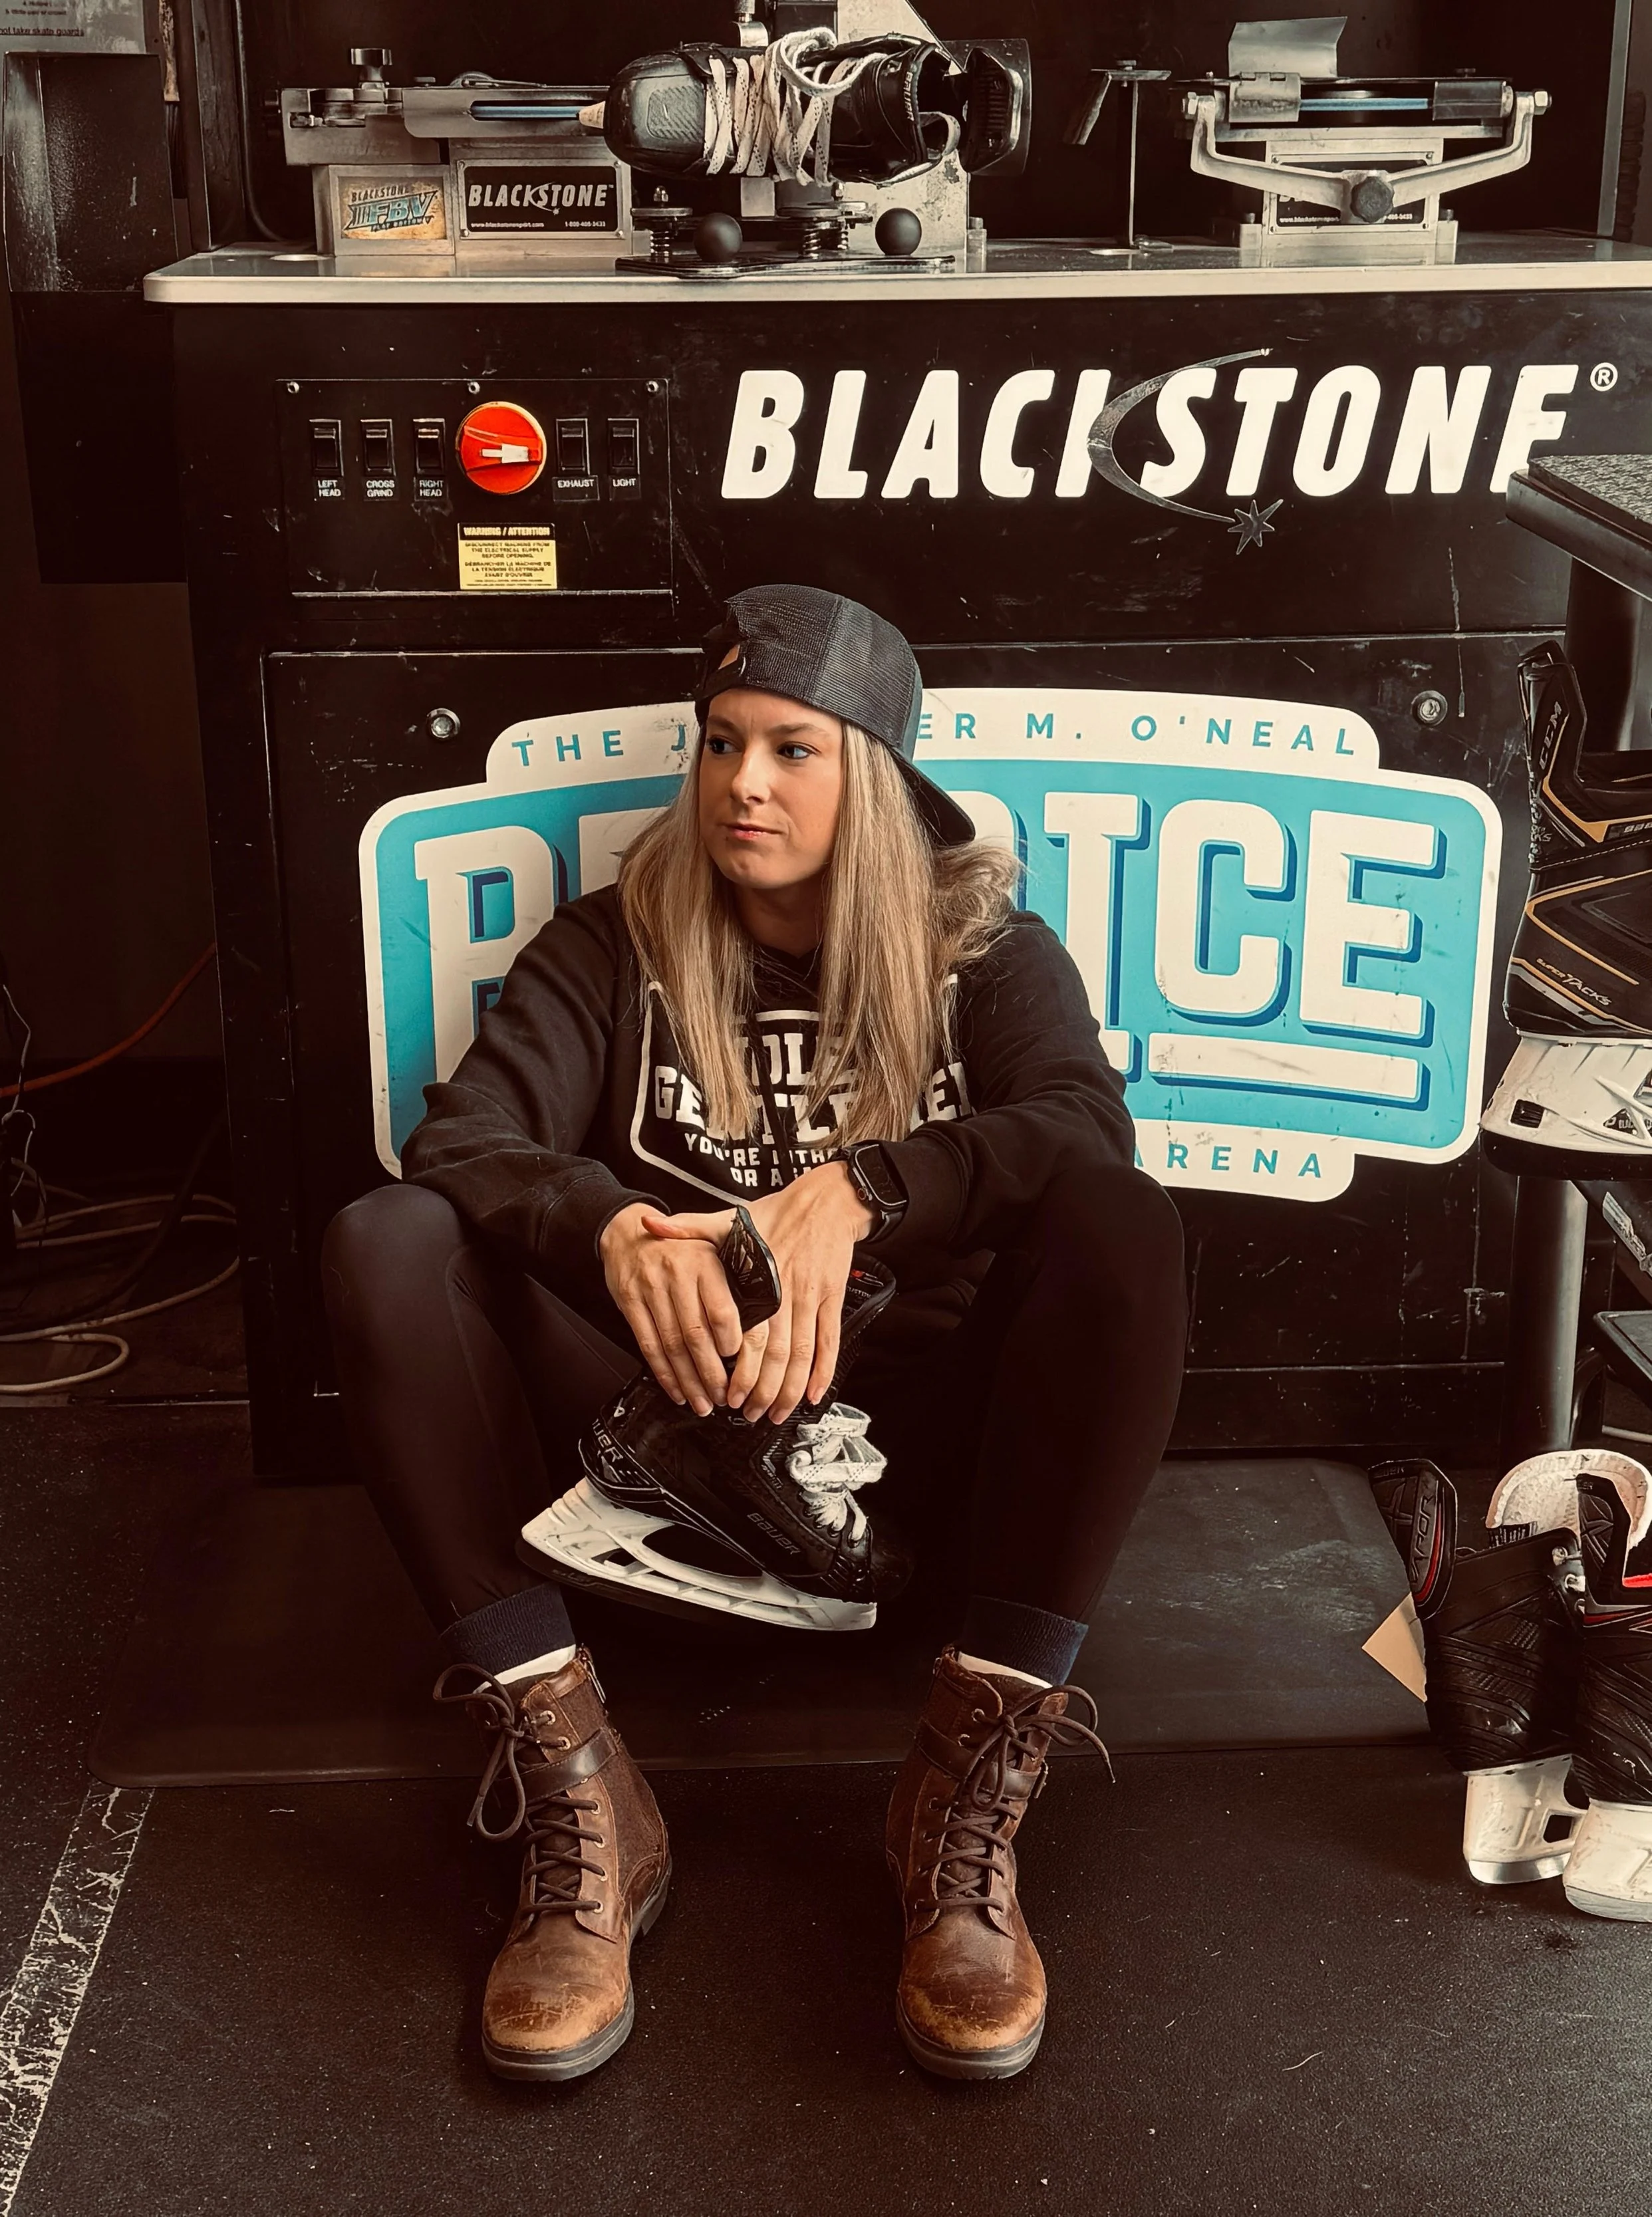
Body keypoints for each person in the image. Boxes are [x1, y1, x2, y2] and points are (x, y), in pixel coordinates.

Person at [322, 584, 1188, 2085]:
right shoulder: (611, 944)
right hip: (652, 1477)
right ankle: (581, 1782)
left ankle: (962, 1788)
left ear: (877, 774)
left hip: (897, 1483)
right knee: (384, 1238)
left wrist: (859, 1191)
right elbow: (462, 1137)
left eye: (793, 748)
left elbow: (1078, 1130)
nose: (742, 785)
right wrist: (598, 1223)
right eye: (720, 744)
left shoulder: (983, 950)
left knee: (1122, 1219)